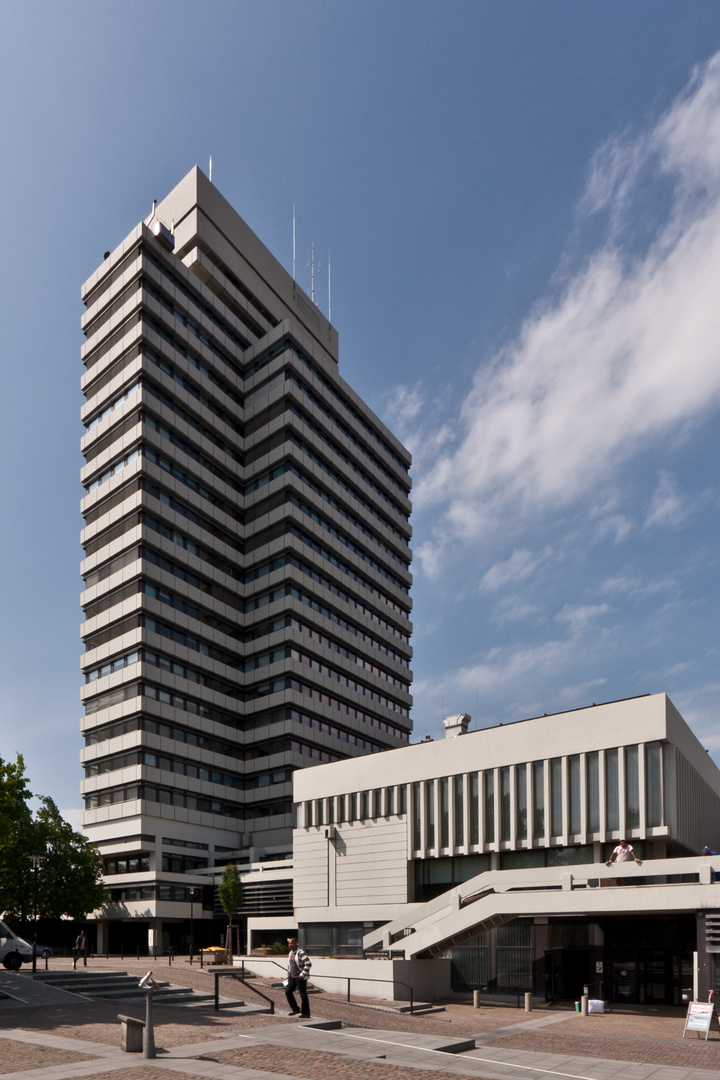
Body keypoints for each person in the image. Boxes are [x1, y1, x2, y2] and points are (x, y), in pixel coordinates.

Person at [284, 936, 311, 1018]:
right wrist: (288, 976)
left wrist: (302, 974)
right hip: (292, 977)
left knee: (303, 995)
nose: (290, 945)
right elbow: (290, 966)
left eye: (291, 943)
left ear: (296, 944)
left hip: (300, 977)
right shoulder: (290, 953)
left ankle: (306, 1013)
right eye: (289, 943)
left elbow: (308, 964)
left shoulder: (301, 953)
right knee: (288, 992)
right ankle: (295, 1009)